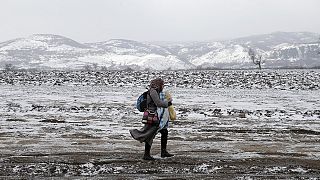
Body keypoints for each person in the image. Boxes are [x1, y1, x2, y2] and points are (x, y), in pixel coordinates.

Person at [130, 78, 174, 160]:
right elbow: (158, 103)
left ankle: (163, 152)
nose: (163, 86)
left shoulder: (155, 91)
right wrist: (168, 103)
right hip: (152, 116)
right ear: (158, 84)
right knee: (150, 134)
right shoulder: (153, 91)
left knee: (164, 132)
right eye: (162, 84)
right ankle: (146, 153)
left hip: (154, 115)